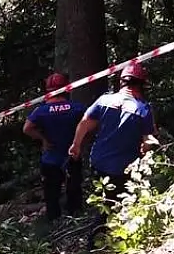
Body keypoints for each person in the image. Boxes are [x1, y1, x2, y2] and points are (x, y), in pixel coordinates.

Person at [67, 61, 159, 208]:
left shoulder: (104, 100)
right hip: (125, 168)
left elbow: (84, 123)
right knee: (121, 207)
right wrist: (146, 155)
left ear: (121, 82)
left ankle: (100, 219)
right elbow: (148, 141)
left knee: (103, 204)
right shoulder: (143, 109)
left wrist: (76, 145)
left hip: (99, 162)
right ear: (141, 85)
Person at [23, 72, 87, 221]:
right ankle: (74, 218)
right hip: (72, 155)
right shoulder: (77, 108)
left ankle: (52, 221)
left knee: (51, 194)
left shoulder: (41, 111)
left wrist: (43, 140)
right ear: (66, 89)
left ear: (48, 91)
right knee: (74, 189)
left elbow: (27, 128)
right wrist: (81, 142)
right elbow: (90, 125)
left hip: (50, 158)